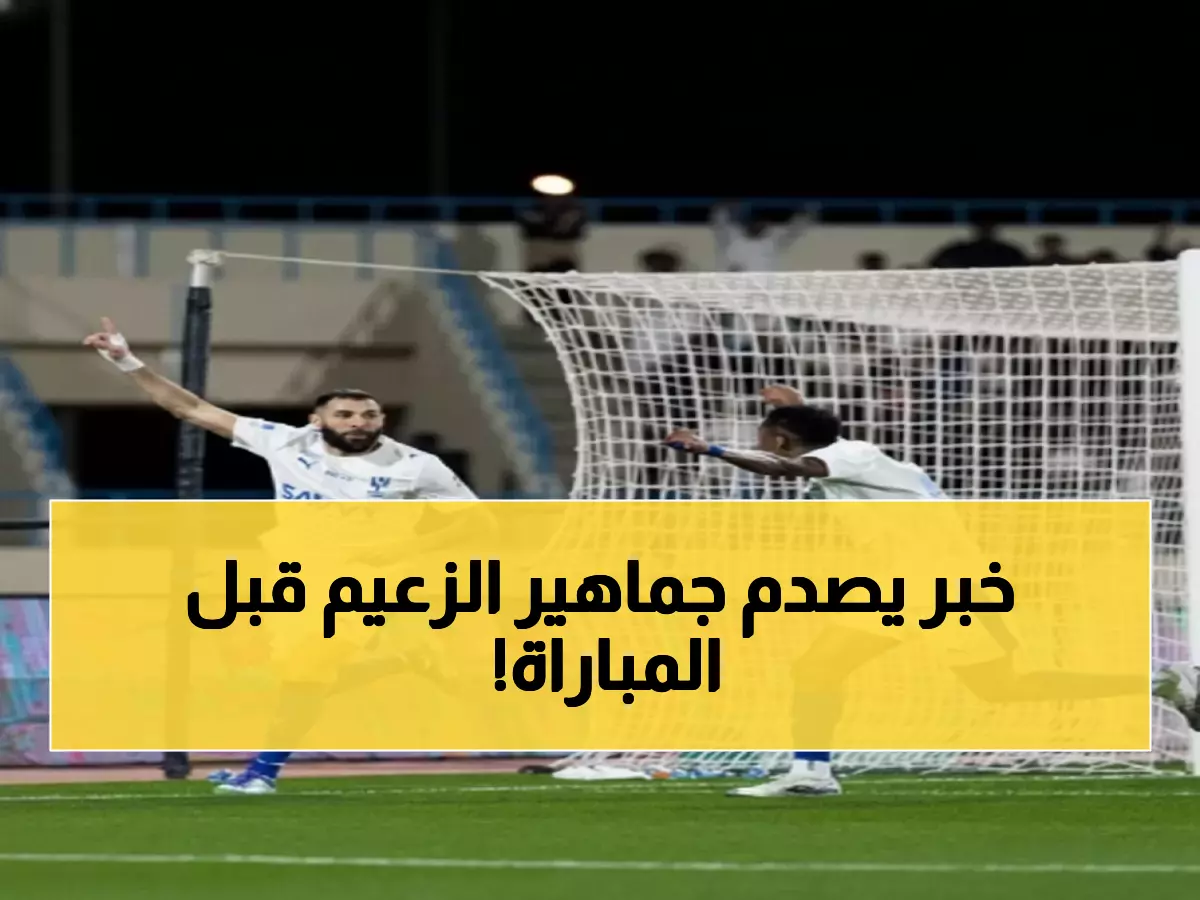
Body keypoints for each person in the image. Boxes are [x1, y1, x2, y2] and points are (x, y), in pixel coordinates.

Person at [664, 385, 1182, 797]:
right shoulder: (853, 455)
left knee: (829, 668)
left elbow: (791, 466)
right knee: (991, 685)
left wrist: (712, 448)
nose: (758, 441)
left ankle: (812, 772)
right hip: (921, 584)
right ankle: (1162, 683)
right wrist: (794, 408)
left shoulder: (849, 457)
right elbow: (803, 450)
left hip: (939, 585)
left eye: (764, 434)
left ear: (779, 440)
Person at [83, 317, 480, 795]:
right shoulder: (286, 441)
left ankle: (262, 773)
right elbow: (190, 408)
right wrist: (126, 360)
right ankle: (405, 661)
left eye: (369, 415)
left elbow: (478, 523)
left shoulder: (415, 466)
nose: (359, 423)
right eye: (345, 415)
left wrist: (402, 548)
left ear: (382, 420)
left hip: (365, 584)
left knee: (309, 671)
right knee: (294, 676)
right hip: (297, 579)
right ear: (317, 421)